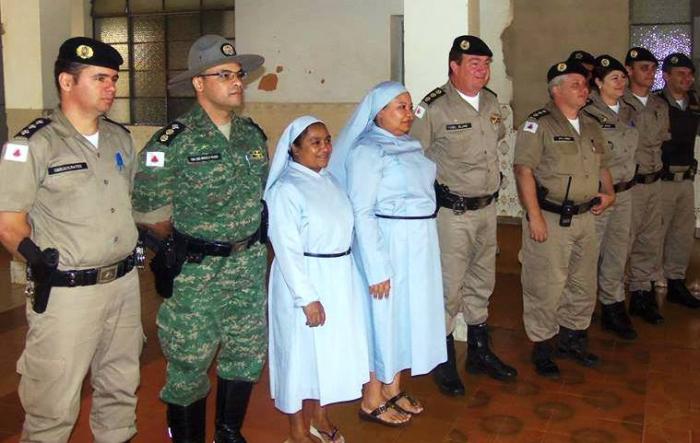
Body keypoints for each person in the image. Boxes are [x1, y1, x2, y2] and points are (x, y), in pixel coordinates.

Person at [0, 37, 142, 442]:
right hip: (68, 293)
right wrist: (35, 259)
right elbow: (9, 223)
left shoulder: (120, 139)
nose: (111, 87)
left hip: (123, 285)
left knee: (119, 389)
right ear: (66, 81)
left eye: (114, 79)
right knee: (53, 402)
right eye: (100, 78)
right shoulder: (32, 144)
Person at [131, 34, 268, 442]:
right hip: (196, 271)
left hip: (247, 263)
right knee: (189, 360)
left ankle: (229, 431)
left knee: (246, 352)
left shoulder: (252, 136)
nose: (236, 81)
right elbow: (150, 209)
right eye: (224, 74)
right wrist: (187, 245)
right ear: (198, 83)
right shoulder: (172, 142)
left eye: (239, 74)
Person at [329, 81, 446, 426]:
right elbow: (361, 210)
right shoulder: (367, 150)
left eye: (409, 106)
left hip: (418, 243)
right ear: (378, 112)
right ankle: (371, 397)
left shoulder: (409, 144)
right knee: (381, 317)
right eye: (400, 107)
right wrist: (377, 266)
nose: (408, 113)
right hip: (388, 242)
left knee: (406, 315)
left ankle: (394, 387)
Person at [410, 35, 517, 397]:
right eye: (474, 64)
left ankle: (479, 351)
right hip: (452, 214)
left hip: (488, 209)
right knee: (448, 288)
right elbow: (413, 157)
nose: (482, 70)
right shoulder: (433, 108)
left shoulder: (491, 102)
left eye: (486, 64)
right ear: (453, 66)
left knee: (482, 282)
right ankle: (443, 361)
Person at [266, 116, 369, 443]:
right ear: (294, 150)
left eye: (327, 140)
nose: (325, 148)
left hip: (338, 277)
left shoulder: (330, 180)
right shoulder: (286, 189)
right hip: (304, 279)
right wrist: (306, 298)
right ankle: (297, 431)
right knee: (298, 357)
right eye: (315, 142)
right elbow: (286, 249)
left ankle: (320, 417)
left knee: (327, 354)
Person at [514, 60, 615, 379]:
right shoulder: (538, 124)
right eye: (575, 84)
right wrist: (534, 217)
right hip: (551, 216)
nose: (584, 89)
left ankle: (573, 338)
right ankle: (542, 345)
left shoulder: (591, 123)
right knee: (546, 284)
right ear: (555, 90)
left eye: (585, 85)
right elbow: (523, 170)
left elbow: (603, 164)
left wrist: (609, 191)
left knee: (583, 283)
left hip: (586, 217)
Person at [582, 55, 639, 340]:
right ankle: (582, 307)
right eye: (614, 78)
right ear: (599, 83)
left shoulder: (629, 111)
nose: (621, 82)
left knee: (618, 250)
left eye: (623, 77)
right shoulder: (588, 113)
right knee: (592, 251)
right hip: (601, 193)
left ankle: (613, 304)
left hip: (626, 191)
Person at [623, 47, 670, 324]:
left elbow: (660, 141)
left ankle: (642, 295)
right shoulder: (620, 104)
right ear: (629, 71)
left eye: (653, 68)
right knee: (622, 243)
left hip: (654, 182)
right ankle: (613, 299)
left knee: (649, 241)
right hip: (631, 184)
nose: (650, 74)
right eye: (643, 68)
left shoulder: (658, 105)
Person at [656, 52, 700, 309]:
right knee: (655, 234)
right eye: (681, 73)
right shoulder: (656, 103)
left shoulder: (694, 103)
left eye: (690, 74)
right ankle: (647, 286)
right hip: (661, 180)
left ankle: (675, 282)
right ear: (666, 76)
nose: (687, 78)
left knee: (682, 235)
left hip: (685, 180)